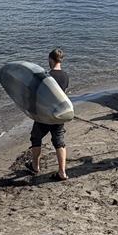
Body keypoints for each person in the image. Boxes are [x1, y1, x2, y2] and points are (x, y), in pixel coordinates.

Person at [28, 48, 69, 181]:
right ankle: (62, 172)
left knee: (36, 138)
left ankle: (35, 167)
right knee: (59, 142)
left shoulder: (46, 76)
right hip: (59, 114)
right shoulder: (65, 76)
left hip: (45, 115)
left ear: (51, 60)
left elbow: (38, 95)